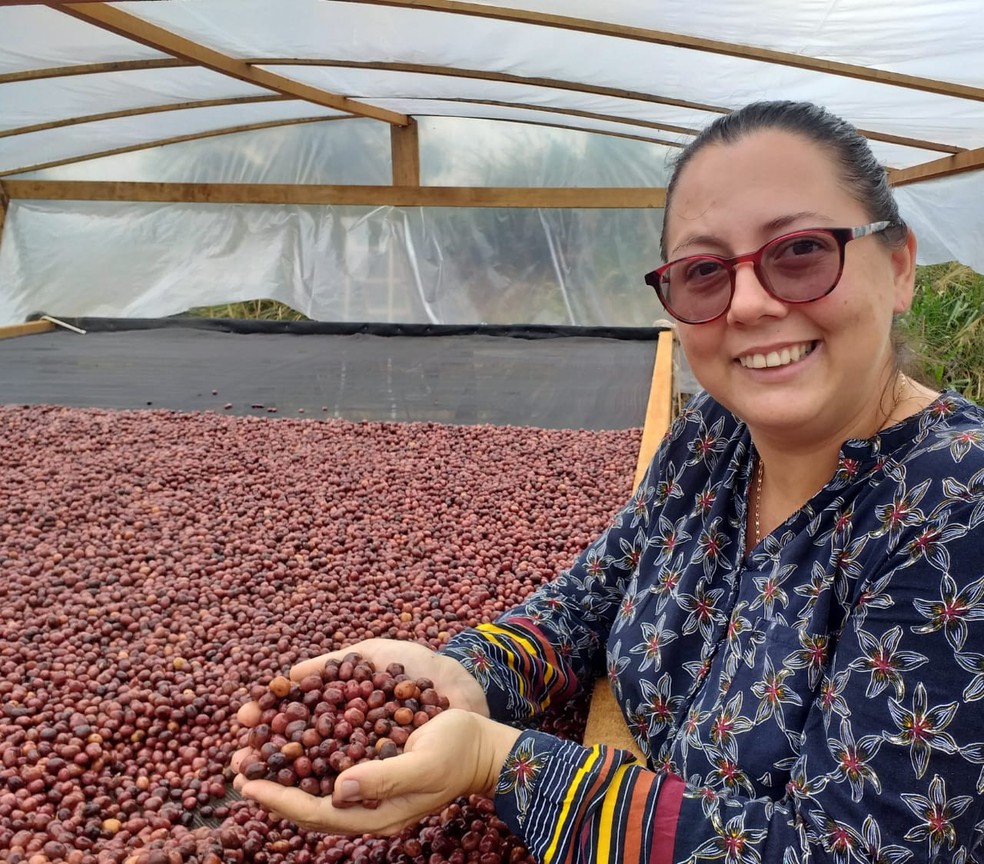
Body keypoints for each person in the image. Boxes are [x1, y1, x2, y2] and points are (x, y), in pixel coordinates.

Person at [232, 101, 984, 862]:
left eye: (800, 252)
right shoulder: (710, 439)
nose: (751, 303)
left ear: (897, 268)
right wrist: (461, 675)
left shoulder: (957, 505)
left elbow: (849, 852)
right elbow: (588, 602)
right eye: (704, 271)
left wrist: (499, 763)